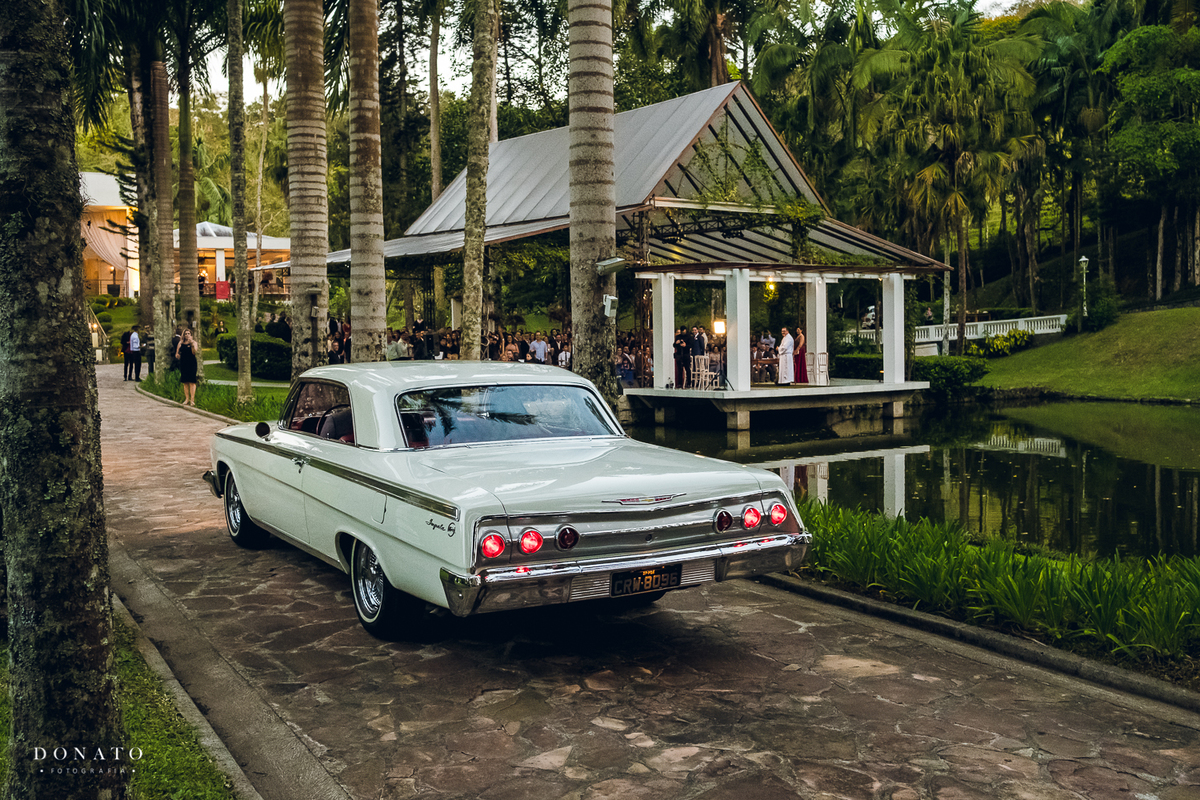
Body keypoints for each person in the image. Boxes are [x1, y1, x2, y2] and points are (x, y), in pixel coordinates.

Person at [176, 328, 200, 406]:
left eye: (188, 334)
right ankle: (187, 399)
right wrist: (178, 355)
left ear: (191, 335)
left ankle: (192, 400)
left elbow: (194, 352)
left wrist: (192, 344)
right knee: (185, 382)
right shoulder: (180, 343)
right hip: (183, 363)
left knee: (192, 381)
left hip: (191, 363)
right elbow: (177, 353)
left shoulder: (194, 343)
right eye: (185, 334)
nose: (187, 335)